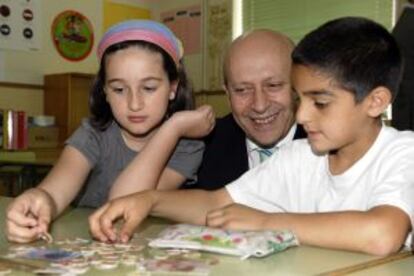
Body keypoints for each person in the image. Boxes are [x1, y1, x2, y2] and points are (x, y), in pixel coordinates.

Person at [89, 17, 414, 256]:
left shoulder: (404, 151)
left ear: (376, 102)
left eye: (321, 103)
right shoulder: (299, 156)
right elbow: (218, 202)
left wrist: (265, 222)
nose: (301, 116)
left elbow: (382, 233)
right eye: (301, 100)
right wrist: (150, 200)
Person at [5, 20, 214, 243]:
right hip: (86, 247)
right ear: (104, 90)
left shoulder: (186, 145)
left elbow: (123, 206)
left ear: (173, 88)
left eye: (149, 88)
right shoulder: (93, 134)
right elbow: (54, 192)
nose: (135, 104)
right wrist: (40, 198)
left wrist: (172, 128)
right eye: (119, 89)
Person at [192, 30, 306, 190]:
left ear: (298, 86)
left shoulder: (332, 147)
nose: (260, 105)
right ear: (228, 94)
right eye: (242, 90)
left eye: (273, 86)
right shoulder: (201, 147)